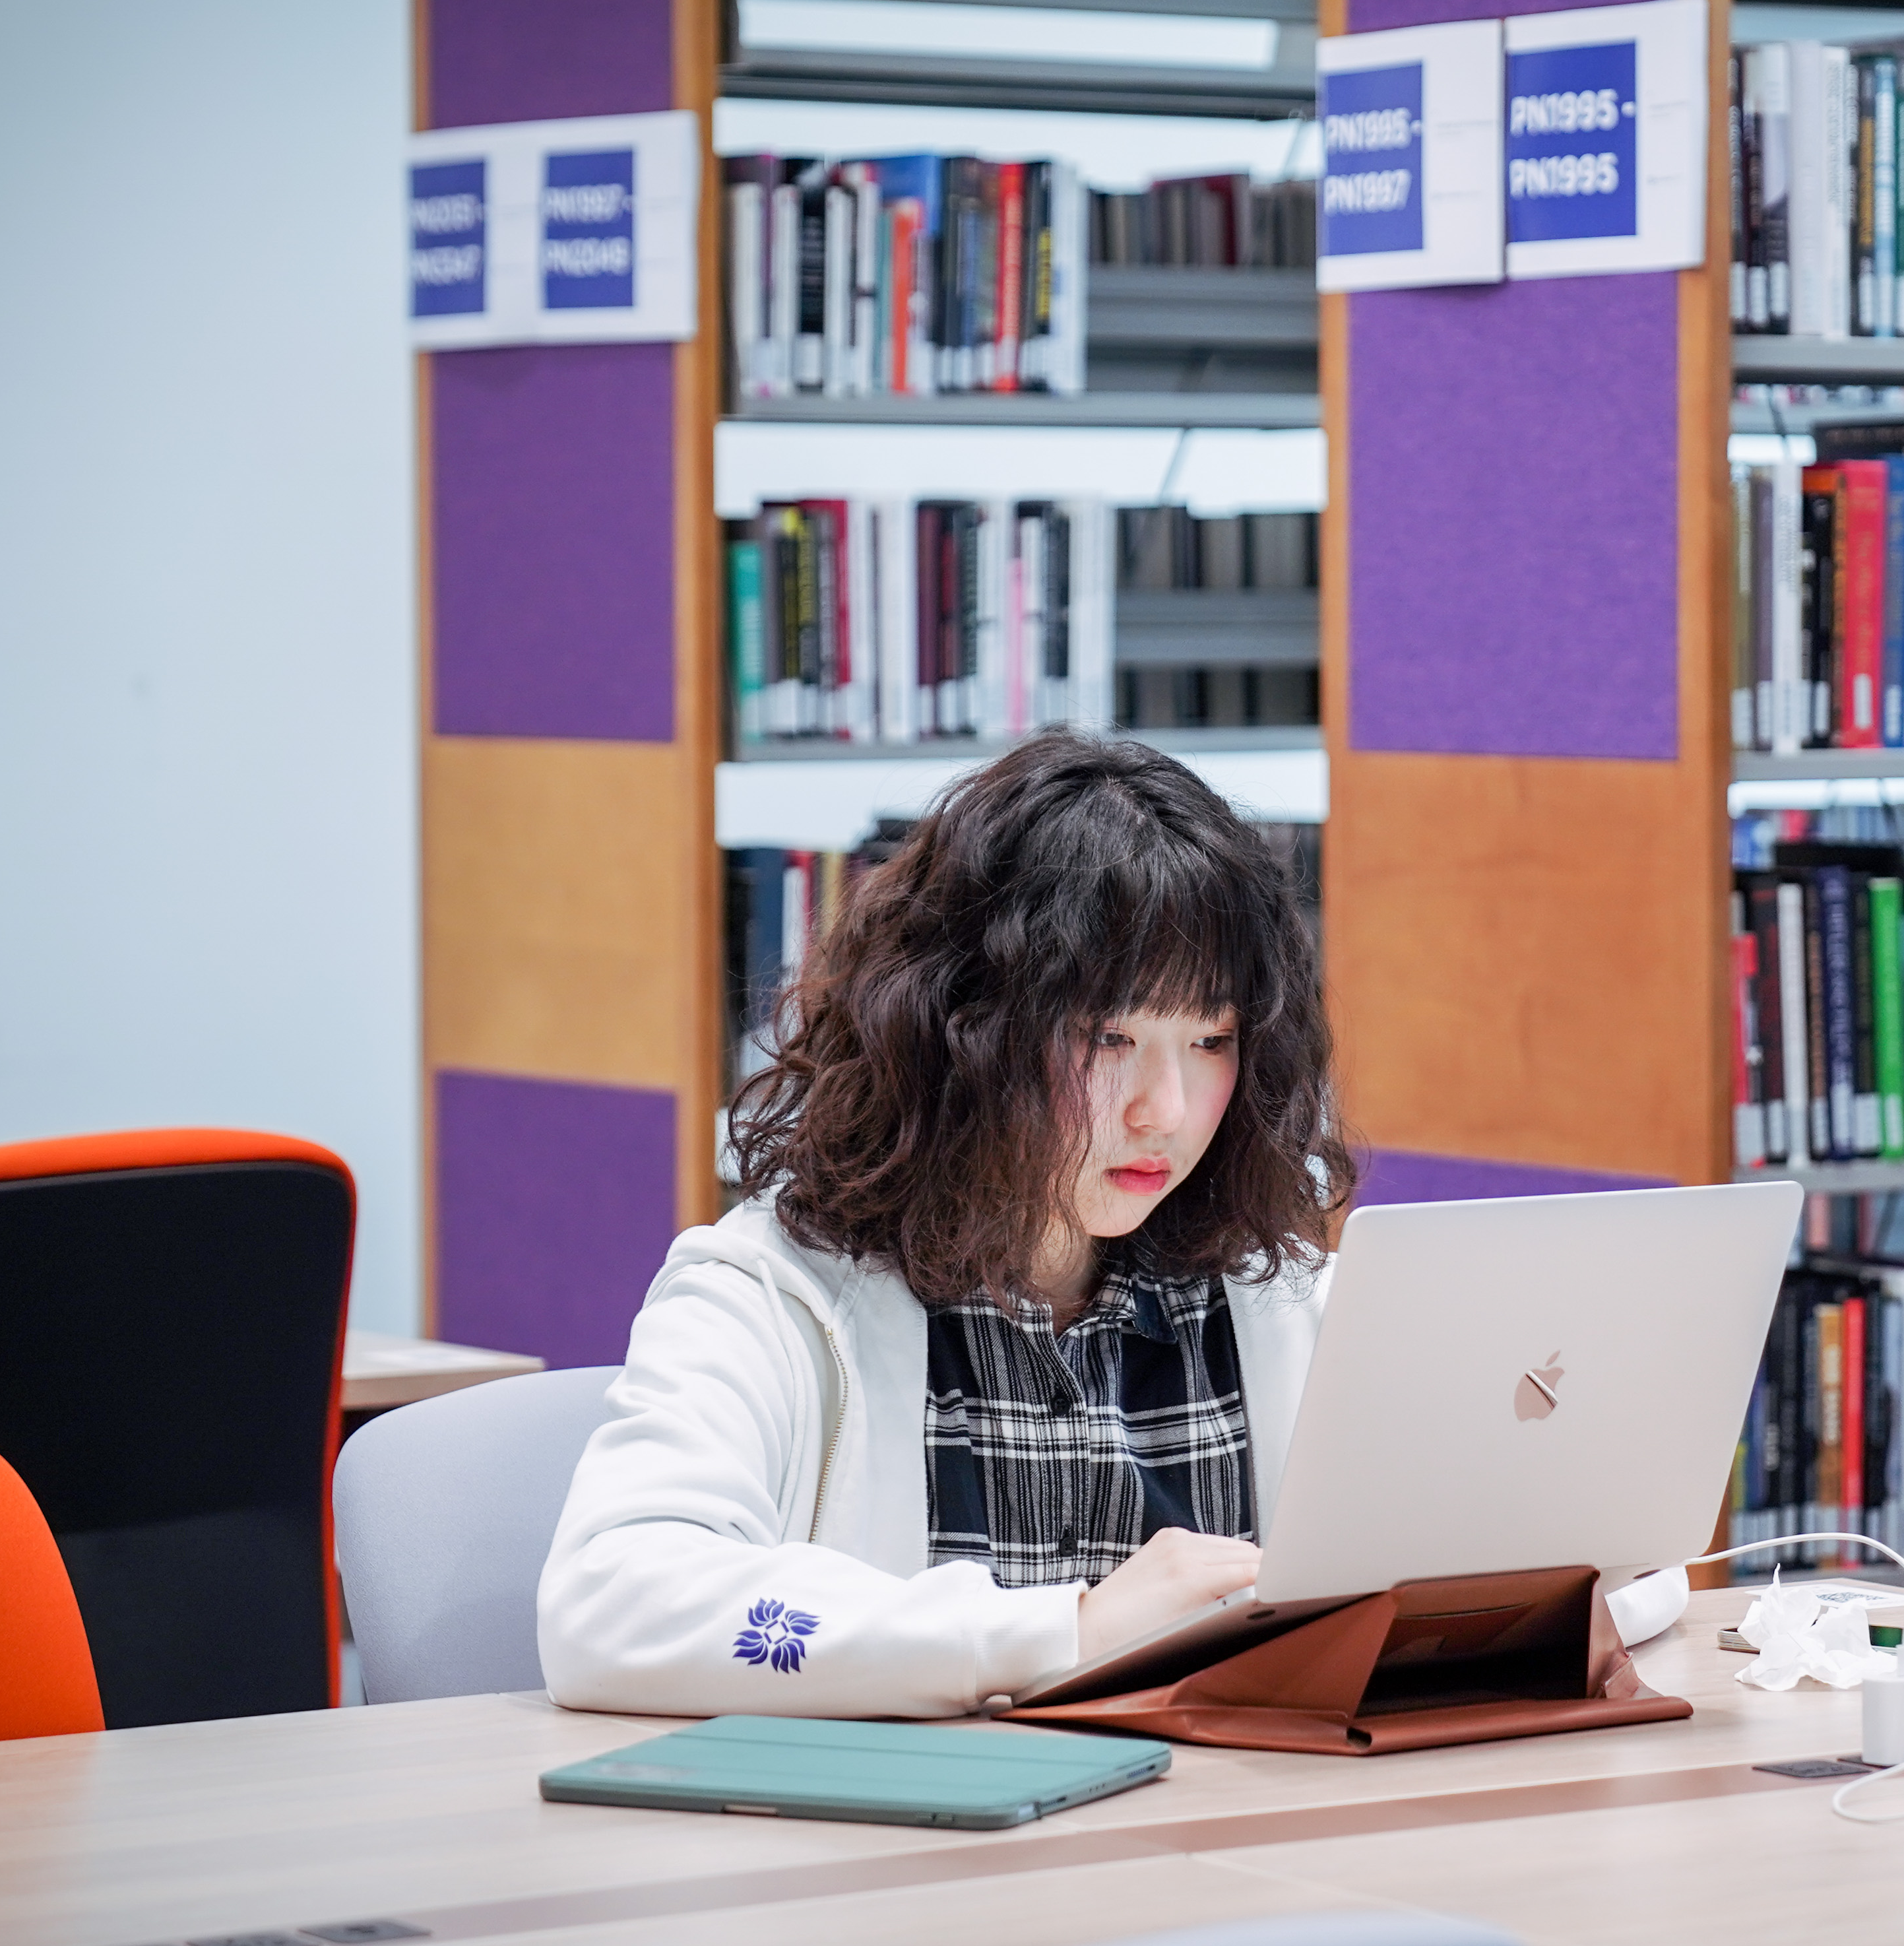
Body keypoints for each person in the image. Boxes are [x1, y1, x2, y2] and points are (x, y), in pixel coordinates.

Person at [536, 731, 1345, 1720]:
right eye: (1108, 1037)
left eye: (1210, 1040)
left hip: (1216, 1849)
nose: (1165, 1109)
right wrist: (1066, 1634)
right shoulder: (770, 1295)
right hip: (896, 1860)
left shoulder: (1284, 1299)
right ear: (962, 1030)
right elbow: (609, 1610)